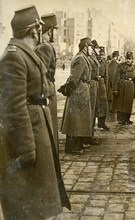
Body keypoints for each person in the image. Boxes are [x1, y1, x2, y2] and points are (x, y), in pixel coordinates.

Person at [0, 5, 70, 219]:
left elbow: (39, 87)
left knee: (37, 198)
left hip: (37, 127)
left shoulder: (24, 53)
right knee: (27, 199)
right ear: (34, 30)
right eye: (41, 29)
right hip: (28, 134)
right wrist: (26, 147)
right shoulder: (14, 56)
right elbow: (13, 107)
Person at [60, 37, 93, 154]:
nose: (92, 50)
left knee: (79, 120)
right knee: (75, 120)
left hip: (81, 91)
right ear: (85, 47)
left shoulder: (82, 57)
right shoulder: (81, 58)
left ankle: (77, 144)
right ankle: (72, 147)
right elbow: (75, 78)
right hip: (78, 92)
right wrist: (68, 89)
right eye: (90, 47)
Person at [34, 13, 59, 151]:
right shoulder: (45, 47)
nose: (56, 34)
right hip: (47, 94)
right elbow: (40, 77)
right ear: (50, 30)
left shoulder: (42, 45)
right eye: (55, 30)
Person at [112, 51, 135, 125]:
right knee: (120, 104)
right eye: (127, 58)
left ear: (132, 59)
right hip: (122, 87)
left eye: (129, 59)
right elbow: (116, 78)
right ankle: (120, 119)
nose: (128, 60)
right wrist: (115, 89)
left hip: (130, 87)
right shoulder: (120, 66)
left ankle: (127, 119)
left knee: (129, 104)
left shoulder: (134, 67)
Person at [95, 45, 110, 131]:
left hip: (102, 84)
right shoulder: (93, 60)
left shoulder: (104, 62)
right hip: (94, 83)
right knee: (94, 105)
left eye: (102, 55)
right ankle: (92, 124)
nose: (100, 56)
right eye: (99, 55)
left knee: (103, 104)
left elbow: (106, 75)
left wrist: (106, 87)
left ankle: (102, 123)